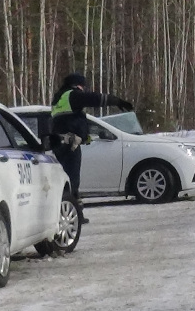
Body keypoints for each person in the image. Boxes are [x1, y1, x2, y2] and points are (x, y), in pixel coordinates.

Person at [50, 73, 133, 219]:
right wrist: (117, 101)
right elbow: (95, 98)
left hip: (61, 143)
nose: (83, 89)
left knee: (68, 180)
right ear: (77, 85)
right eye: (82, 86)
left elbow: (68, 120)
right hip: (70, 145)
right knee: (72, 180)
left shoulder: (59, 98)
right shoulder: (72, 95)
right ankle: (71, 216)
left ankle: (74, 214)